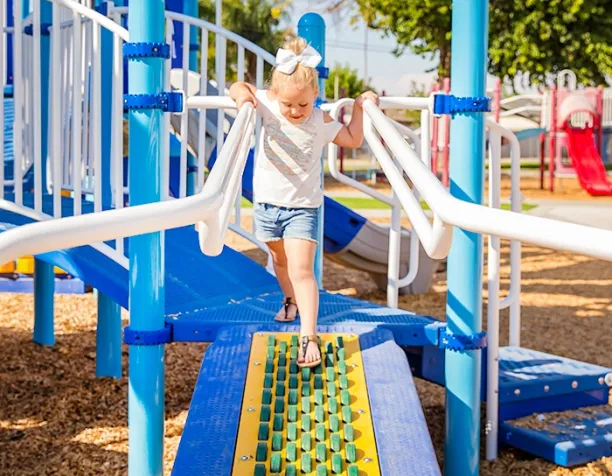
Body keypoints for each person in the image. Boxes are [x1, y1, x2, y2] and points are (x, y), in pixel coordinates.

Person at [229, 37, 379, 368]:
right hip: (267, 204)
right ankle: (289, 299)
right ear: (276, 97)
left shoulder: (321, 121)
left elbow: (353, 138)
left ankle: (308, 336)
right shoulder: (267, 105)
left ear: (315, 98)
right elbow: (238, 86)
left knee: (301, 269)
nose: (295, 112)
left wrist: (360, 105)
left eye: (303, 105)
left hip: (302, 207)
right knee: (279, 262)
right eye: (289, 105)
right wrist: (243, 99)